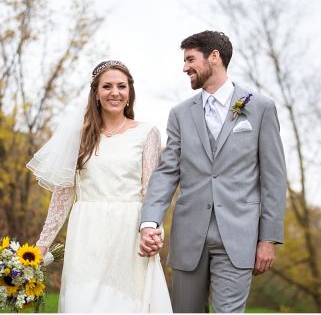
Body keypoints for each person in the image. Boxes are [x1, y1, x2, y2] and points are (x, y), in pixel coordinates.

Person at [138, 31, 287, 313]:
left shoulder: (260, 109)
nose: (185, 68)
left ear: (214, 57)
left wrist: (268, 239)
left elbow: (274, 179)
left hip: (239, 237)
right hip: (188, 238)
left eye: (190, 59)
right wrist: (149, 223)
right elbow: (167, 172)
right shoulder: (180, 114)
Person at [28, 60, 172, 312]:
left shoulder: (147, 133)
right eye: (107, 86)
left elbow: (151, 192)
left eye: (121, 86)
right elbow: (62, 195)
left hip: (129, 233)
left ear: (129, 92)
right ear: (96, 93)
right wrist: (42, 244)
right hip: (86, 233)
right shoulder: (79, 135)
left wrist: (153, 231)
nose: (114, 92)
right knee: (83, 302)